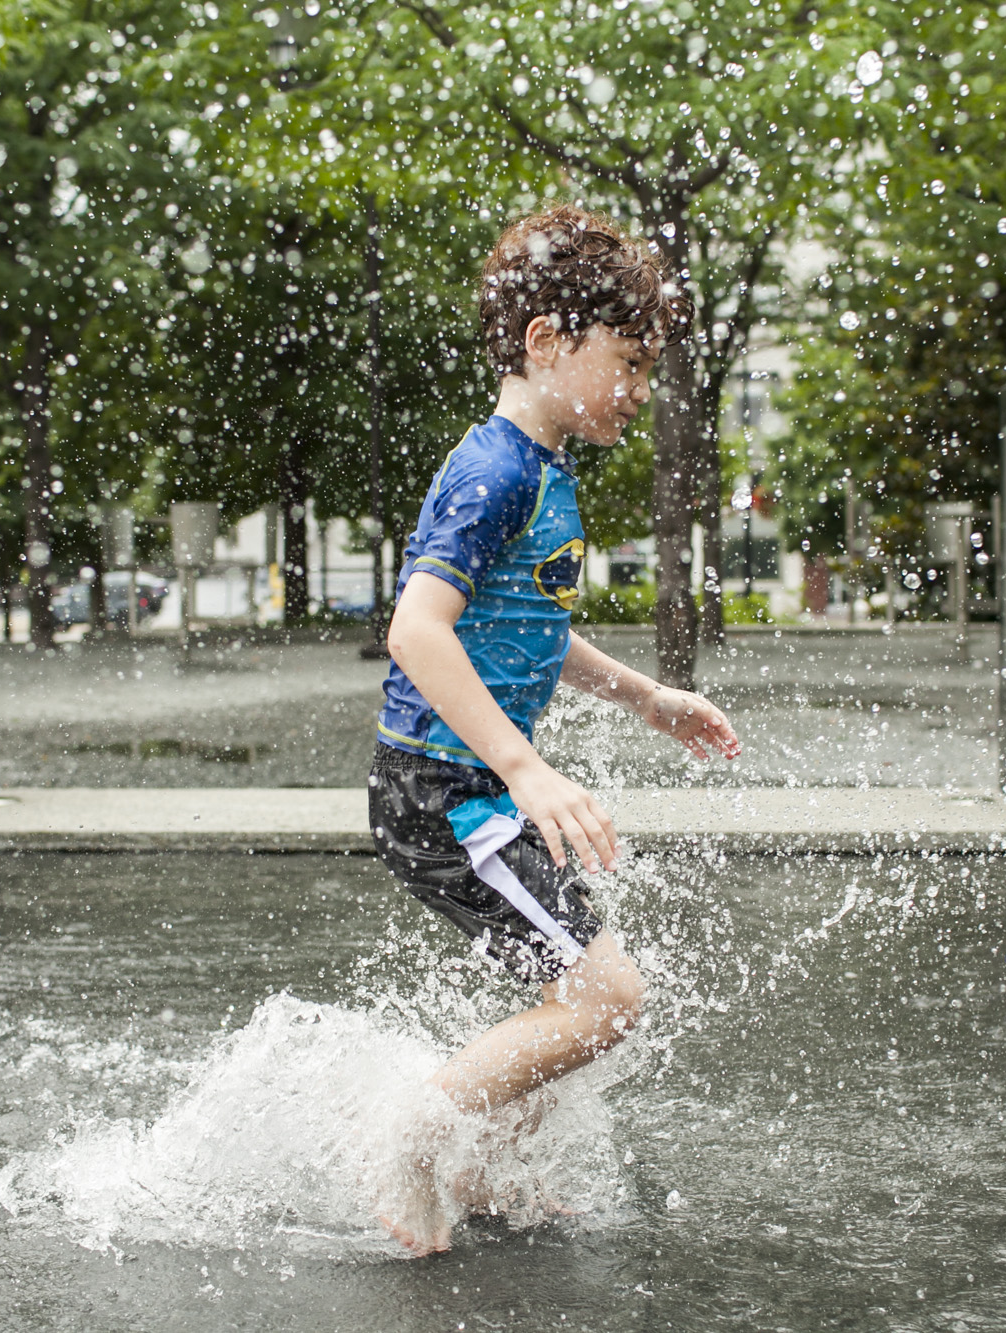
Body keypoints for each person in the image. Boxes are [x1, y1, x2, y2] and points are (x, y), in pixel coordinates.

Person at [368, 206, 742, 1254]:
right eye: (625, 361)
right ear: (545, 340)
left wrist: (644, 697)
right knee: (602, 996)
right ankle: (411, 1138)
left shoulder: (542, 471)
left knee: (583, 996)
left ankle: (482, 1170)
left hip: (469, 788)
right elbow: (416, 629)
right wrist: (523, 765)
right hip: (444, 793)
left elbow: (527, 631)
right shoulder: (495, 470)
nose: (637, 388)